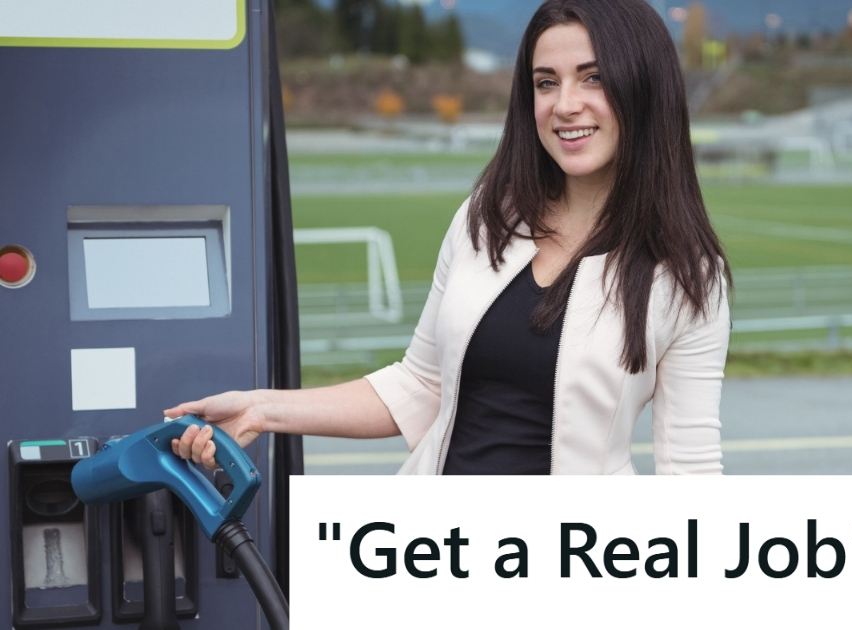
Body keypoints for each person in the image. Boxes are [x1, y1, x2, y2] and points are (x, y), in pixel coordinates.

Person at [168, 0, 731, 475]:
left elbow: (691, 473)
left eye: (594, 77)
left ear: (644, 87)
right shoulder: (486, 219)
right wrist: (259, 410)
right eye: (545, 82)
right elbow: (420, 385)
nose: (565, 105)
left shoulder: (689, 277)